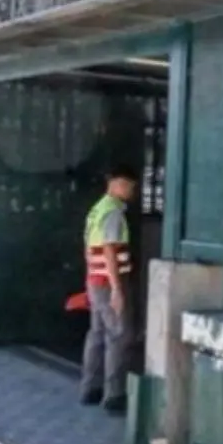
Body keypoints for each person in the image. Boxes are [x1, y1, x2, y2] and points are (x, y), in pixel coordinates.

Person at [79, 167, 137, 414]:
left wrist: (90, 279)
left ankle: (90, 388)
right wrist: (116, 289)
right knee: (119, 335)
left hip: (96, 280)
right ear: (115, 184)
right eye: (128, 185)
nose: (131, 191)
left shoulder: (96, 209)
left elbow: (88, 246)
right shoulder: (113, 212)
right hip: (109, 282)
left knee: (98, 333)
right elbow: (110, 249)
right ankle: (114, 395)